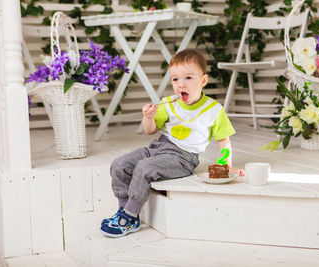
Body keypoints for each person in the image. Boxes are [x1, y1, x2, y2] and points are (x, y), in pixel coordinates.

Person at [100, 49, 245, 237]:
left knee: (144, 168)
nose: (180, 84)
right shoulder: (168, 103)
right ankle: (126, 214)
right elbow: (150, 130)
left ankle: (129, 215)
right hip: (157, 147)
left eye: (188, 78)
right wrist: (148, 117)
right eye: (175, 79)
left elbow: (224, 140)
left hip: (183, 158)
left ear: (203, 81)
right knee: (119, 165)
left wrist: (227, 165)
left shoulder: (214, 110)